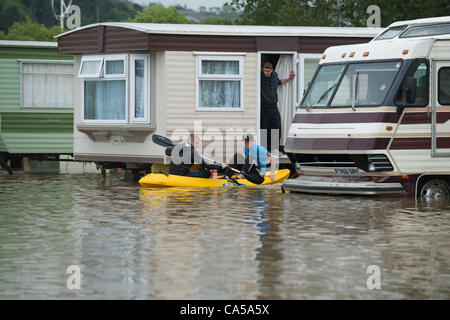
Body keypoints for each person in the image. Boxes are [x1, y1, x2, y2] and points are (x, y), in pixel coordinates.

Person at [260, 61, 295, 152]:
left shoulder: (274, 76)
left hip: (274, 107)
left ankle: (274, 149)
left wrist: (289, 78)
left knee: (276, 127)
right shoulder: (260, 77)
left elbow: (279, 82)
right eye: (265, 71)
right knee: (264, 129)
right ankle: (264, 149)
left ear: (272, 70)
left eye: (268, 71)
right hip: (264, 107)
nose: (266, 73)